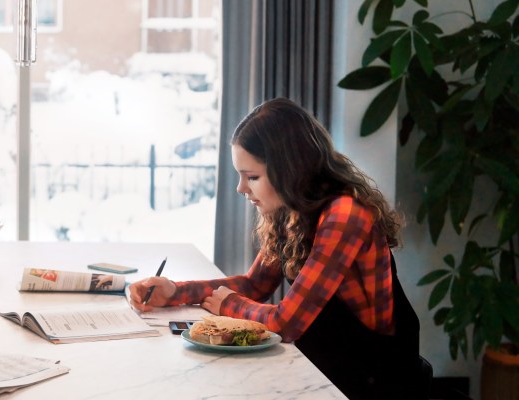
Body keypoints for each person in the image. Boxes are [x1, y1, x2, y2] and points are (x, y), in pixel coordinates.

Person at [128, 98, 424, 399]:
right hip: (328, 364)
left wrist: (229, 304)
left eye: (252, 177)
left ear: (290, 170)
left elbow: (288, 322)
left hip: (372, 379)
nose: (241, 188)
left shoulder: (345, 214)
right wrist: (174, 292)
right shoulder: (292, 209)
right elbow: (254, 284)